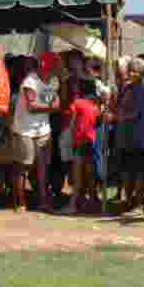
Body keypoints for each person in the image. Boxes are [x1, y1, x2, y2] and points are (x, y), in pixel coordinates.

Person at [10, 54, 59, 212]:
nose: (53, 71)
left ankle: (43, 201)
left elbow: (55, 101)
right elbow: (32, 107)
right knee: (24, 166)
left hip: (43, 129)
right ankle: (20, 202)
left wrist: (51, 105)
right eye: (52, 68)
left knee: (43, 167)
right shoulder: (30, 81)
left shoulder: (51, 81)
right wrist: (51, 107)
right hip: (25, 129)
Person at [115, 58, 144, 215]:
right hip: (126, 136)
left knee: (139, 171)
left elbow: (135, 113)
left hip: (140, 136)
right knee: (126, 170)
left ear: (142, 73)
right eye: (130, 69)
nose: (131, 73)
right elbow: (120, 106)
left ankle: (139, 204)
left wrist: (118, 116)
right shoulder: (127, 88)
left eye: (135, 70)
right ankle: (128, 201)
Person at [60, 78, 99, 214]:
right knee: (89, 175)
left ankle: (72, 205)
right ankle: (92, 202)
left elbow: (70, 120)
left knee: (77, 176)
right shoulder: (95, 106)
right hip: (90, 142)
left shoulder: (77, 103)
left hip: (79, 142)